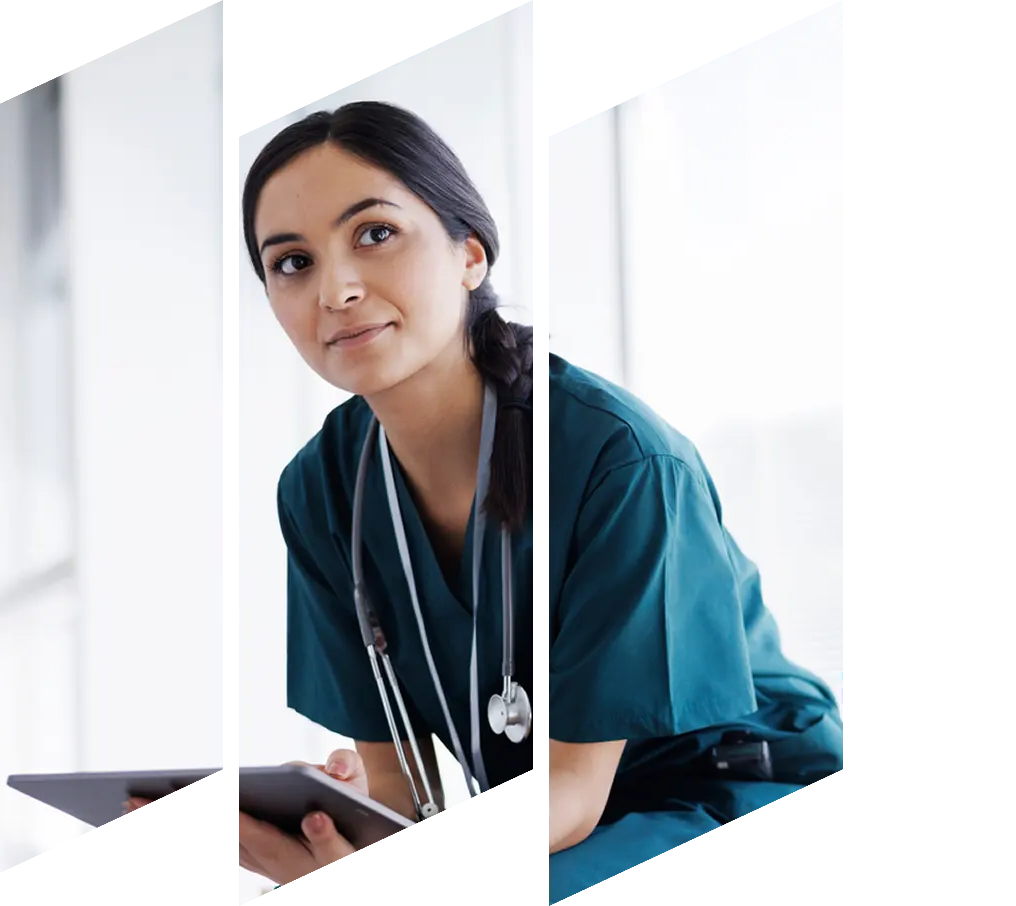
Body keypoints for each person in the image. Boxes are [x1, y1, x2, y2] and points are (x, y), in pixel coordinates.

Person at [130, 100, 844, 902]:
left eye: (374, 234)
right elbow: (401, 791)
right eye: (292, 262)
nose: (336, 289)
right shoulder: (322, 487)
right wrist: (338, 823)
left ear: (470, 254)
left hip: (735, 801)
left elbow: (573, 802)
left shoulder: (620, 461)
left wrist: (396, 877)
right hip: (553, 825)